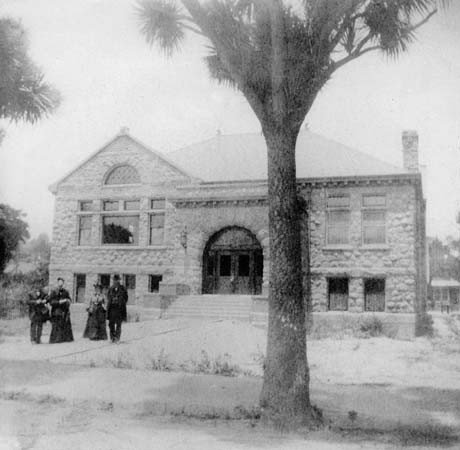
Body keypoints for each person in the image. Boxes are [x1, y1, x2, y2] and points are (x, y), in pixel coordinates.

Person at [49, 277, 74, 343]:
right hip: (56, 311)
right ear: (57, 283)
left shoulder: (66, 292)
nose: (60, 285)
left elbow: (69, 299)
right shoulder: (53, 291)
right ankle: (56, 339)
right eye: (59, 283)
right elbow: (51, 302)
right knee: (56, 326)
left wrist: (68, 301)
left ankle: (65, 339)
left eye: (62, 283)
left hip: (64, 311)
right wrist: (60, 302)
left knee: (65, 325)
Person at [106, 274, 128, 343]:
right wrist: (112, 300)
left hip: (119, 309)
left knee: (118, 324)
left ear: (119, 281)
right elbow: (108, 297)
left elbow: (126, 298)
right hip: (112, 308)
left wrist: (120, 301)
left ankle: (117, 338)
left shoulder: (123, 289)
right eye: (114, 280)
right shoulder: (110, 288)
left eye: (117, 280)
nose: (115, 282)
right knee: (111, 324)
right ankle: (112, 337)